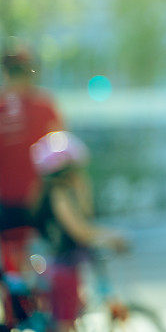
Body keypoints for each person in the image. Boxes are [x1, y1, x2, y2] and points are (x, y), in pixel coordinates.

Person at [30, 131, 128, 332]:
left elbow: (86, 217)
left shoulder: (58, 192)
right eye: (76, 169)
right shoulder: (59, 195)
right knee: (65, 325)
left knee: (76, 314)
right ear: (66, 171)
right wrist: (113, 236)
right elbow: (80, 231)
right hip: (62, 268)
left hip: (63, 266)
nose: (81, 175)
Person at [0, 44, 63, 275]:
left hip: (6, 205)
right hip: (42, 203)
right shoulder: (45, 107)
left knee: (13, 273)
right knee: (50, 270)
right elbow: (63, 158)